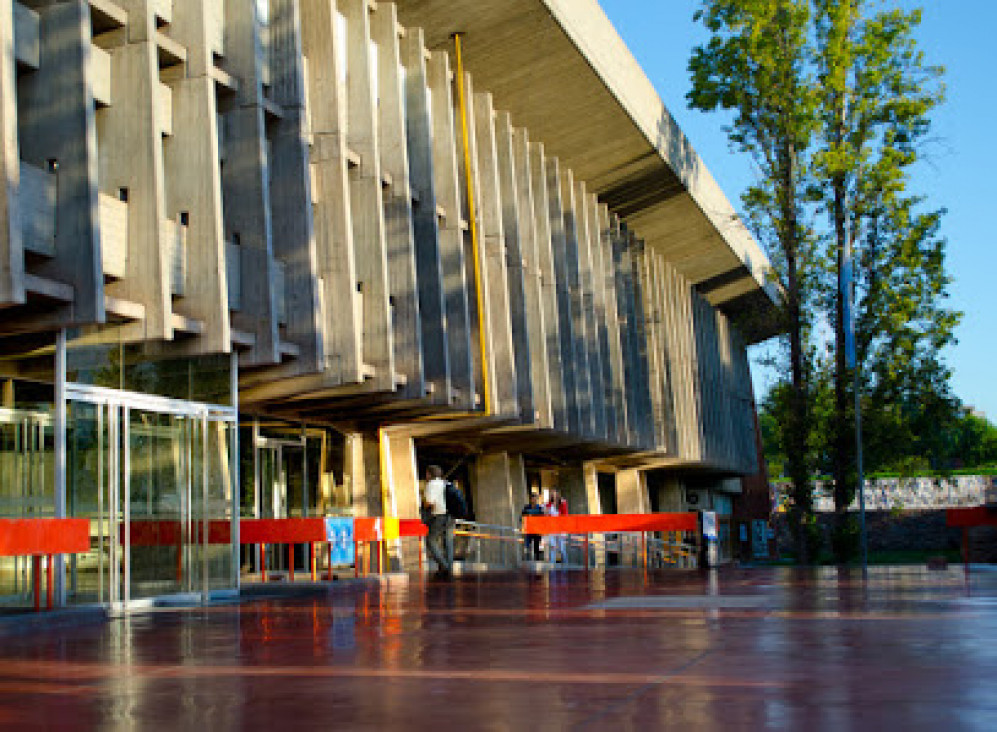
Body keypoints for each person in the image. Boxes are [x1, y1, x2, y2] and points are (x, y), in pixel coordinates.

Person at [422, 465, 453, 578]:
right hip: (451, 516)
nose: (426, 476)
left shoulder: (431, 484)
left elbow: (429, 502)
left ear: (430, 474)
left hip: (440, 515)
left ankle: (444, 566)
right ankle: (448, 570)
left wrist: (424, 505)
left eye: (426, 474)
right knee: (448, 543)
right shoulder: (447, 483)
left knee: (430, 540)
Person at [545, 489, 569, 563]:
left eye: (554, 493)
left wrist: (563, 504)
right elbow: (546, 516)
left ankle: (566, 564)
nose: (553, 495)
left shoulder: (562, 503)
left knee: (562, 548)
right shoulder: (548, 504)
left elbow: (565, 515)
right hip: (552, 528)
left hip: (561, 528)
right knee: (553, 547)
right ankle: (552, 565)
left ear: (557, 494)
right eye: (551, 494)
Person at [521, 492, 545, 561]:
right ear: (530, 500)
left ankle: (537, 560)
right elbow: (522, 517)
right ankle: (527, 560)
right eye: (532, 499)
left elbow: (542, 519)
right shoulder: (526, 507)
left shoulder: (540, 508)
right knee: (527, 545)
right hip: (529, 529)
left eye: (535, 499)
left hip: (537, 530)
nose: (534, 500)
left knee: (536, 546)